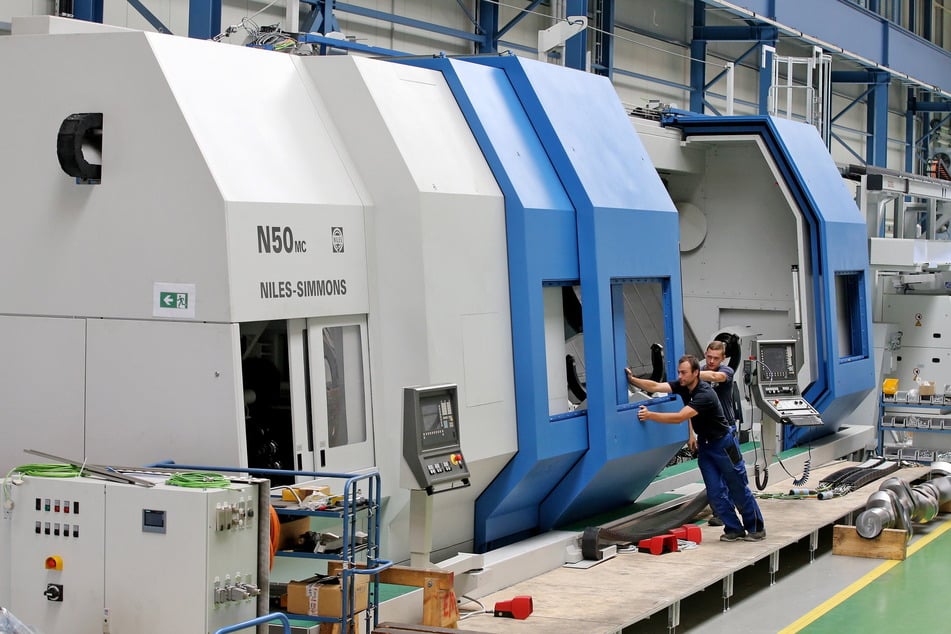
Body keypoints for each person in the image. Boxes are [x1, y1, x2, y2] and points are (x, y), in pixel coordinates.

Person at [627, 354, 766, 542]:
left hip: (724, 444)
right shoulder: (683, 386)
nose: (680, 377)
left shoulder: (705, 394)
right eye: (679, 373)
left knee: (737, 487)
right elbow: (656, 386)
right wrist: (632, 379)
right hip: (706, 447)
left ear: (696, 373)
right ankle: (734, 529)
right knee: (715, 491)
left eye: (684, 373)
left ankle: (756, 528)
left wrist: (650, 415)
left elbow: (679, 417)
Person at [696, 341, 737, 526]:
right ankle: (719, 512)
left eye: (716, 358)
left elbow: (715, 376)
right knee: (712, 476)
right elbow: (690, 407)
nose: (711, 361)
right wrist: (691, 435)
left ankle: (728, 512)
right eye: (709, 357)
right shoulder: (698, 372)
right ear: (705, 353)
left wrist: (691, 375)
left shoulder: (726, 372)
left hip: (726, 430)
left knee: (728, 473)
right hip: (705, 433)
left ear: (724, 358)